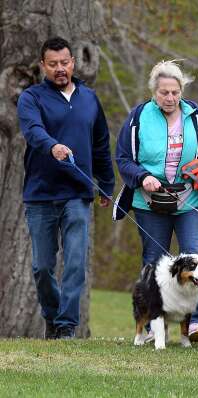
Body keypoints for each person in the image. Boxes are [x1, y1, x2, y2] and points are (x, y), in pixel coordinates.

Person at [114, 60, 198, 342]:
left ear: (182, 91)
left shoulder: (197, 116)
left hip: (190, 199)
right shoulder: (138, 117)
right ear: (154, 91)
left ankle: (195, 323)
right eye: (164, 92)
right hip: (150, 202)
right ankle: (154, 324)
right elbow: (124, 159)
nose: (170, 98)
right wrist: (141, 178)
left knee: (195, 254)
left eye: (175, 92)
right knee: (154, 261)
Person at [17, 37, 115, 339]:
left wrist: (106, 184)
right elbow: (33, 130)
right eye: (53, 64)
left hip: (77, 193)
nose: (60, 69)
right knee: (42, 267)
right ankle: (52, 315)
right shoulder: (31, 97)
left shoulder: (89, 98)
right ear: (42, 66)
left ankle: (66, 327)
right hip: (41, 194)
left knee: (75, 263)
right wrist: (52, 146)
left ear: (73, 62)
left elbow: (100, 143)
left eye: (65, 62)